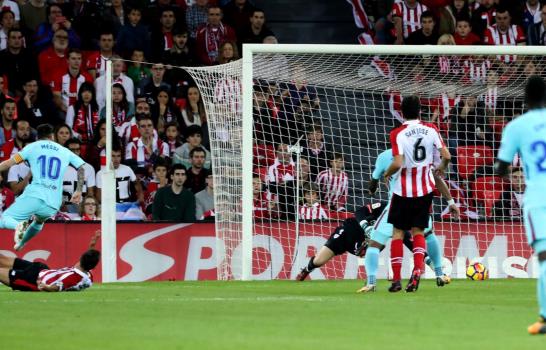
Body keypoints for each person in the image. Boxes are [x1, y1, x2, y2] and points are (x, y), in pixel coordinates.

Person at [357, 148, 459, 293]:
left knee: (374, 243)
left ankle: (372, 282)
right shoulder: (421, 155)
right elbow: (437, 178)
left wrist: (373, 187)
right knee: (427, 235)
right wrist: (450, 202)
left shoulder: (385, 156)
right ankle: (438, 273)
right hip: (420, 202)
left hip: (397, 203)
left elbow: (373, 181)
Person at [382, 95, 451, 292]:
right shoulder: (431, 129)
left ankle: (396, 280)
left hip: (403, 191)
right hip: (425, 189)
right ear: (420, 110)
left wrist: (385, 175)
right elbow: (446, 155)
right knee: (419, 232)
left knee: (397, 233)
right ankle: (418, 271)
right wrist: (442, 168)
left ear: (402, 112)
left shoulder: (397, 133)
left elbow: (397, 162)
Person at [495, 75, 546, 335]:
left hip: (538, 198)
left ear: (525, 99)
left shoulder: (517, 126)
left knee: (545, 258)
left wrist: (506, 170)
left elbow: (501, 166)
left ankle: (545, 318)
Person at [0, 123, 85, 251]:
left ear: (37, 137)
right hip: (53, 203)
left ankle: (18, 226)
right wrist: (78, 190)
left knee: (4, 219)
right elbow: (81, 168)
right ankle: (22, 243)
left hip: (35, 195)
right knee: (39, 221)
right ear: (52, 136)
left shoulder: (32, 147)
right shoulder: (64, 151)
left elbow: (9, 163)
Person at [296, 203, 383, 281]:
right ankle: (307, 269)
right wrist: (366, 227)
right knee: (318, 261)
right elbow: (359, 212)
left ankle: (371, 281)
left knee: (364, 250)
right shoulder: (382, 207)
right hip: (348, 230)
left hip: (362, 239)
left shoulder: (394, 221)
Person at [0, 231, 100, 291]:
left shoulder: (73, 278)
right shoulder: (87, 273)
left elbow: (58, 287)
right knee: (2, 259)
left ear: (82, 259)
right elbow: (89, 259)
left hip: (33, 280)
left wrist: (46, 287)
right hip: (41, 269)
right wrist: (92, 245)